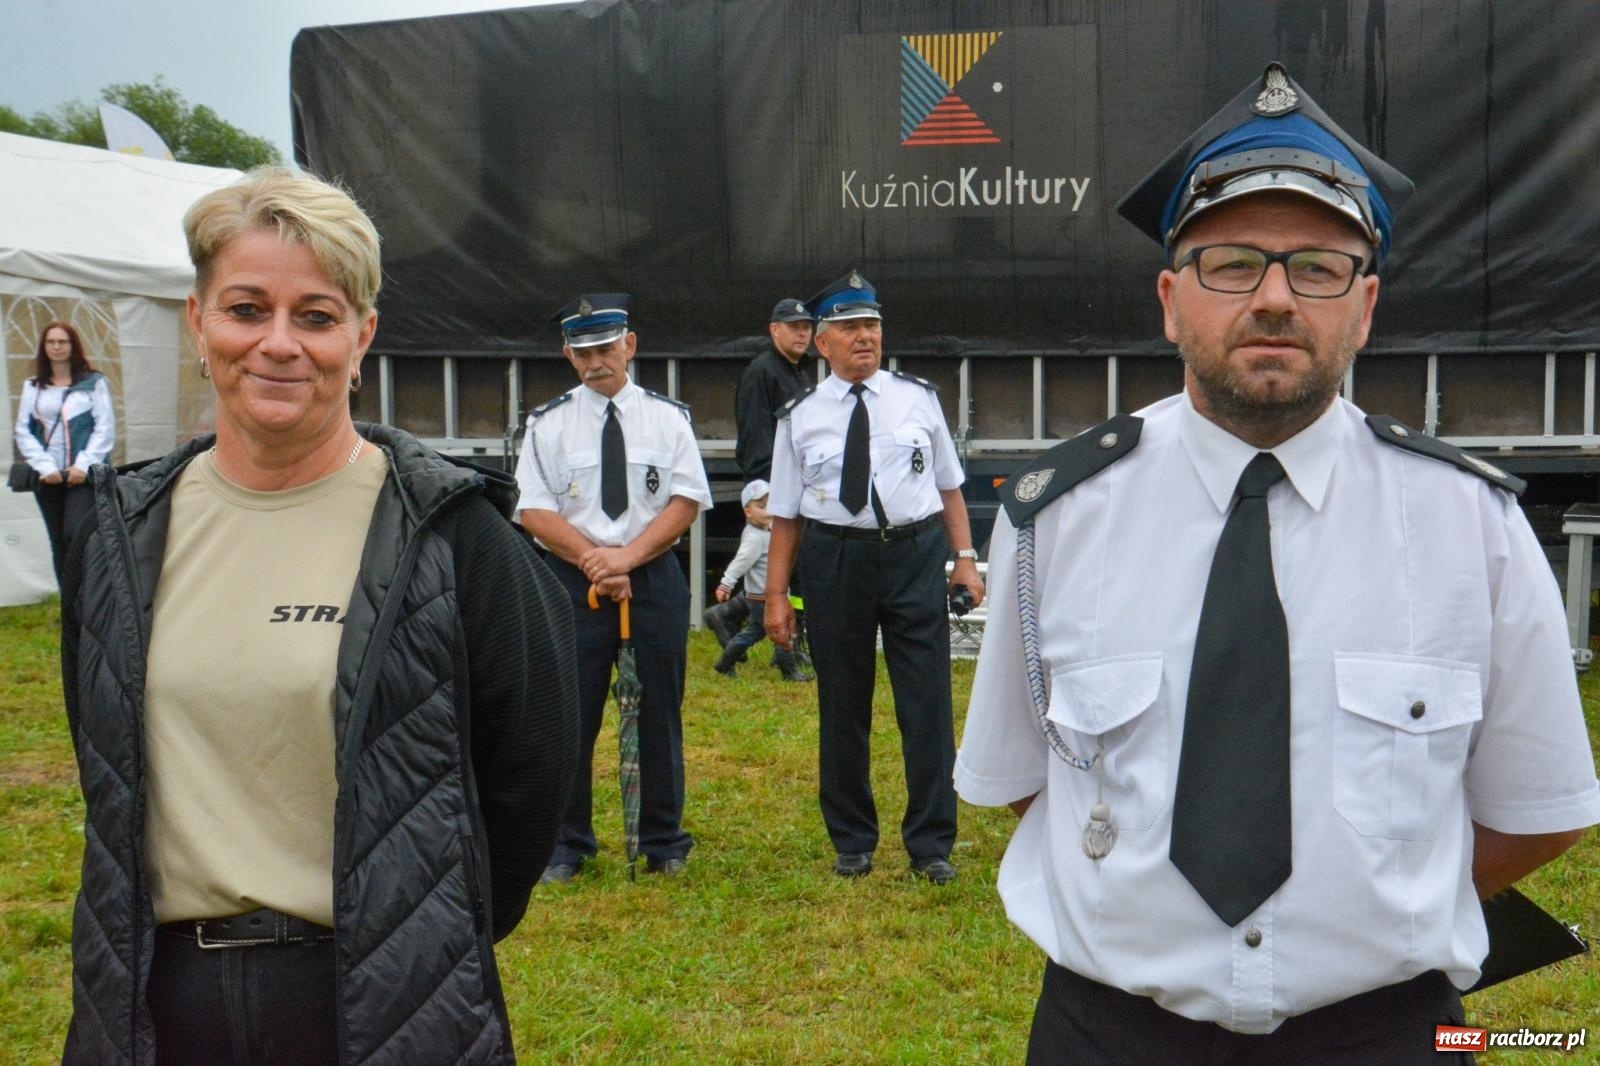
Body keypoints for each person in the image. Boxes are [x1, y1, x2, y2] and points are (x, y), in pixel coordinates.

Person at [955, 63, 1600, 1064]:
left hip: (1388, 1033)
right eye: (1230, 264)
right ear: (1171, 300)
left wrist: (1365, 908)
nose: (1271, 298)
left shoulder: (1469, 522)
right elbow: (1022, 778)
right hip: (1110, 1034)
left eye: (1316, 268)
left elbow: (1536, 810)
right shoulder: (1056, 518)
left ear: (1366, 304)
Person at [58, 166, 580, 1066]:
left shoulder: (456, 534)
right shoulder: (117, 536)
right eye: (246, 308)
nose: (277, 344)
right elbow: (101, 754)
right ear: (198, 321)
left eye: (316, 315)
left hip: (377, 998)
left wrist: (430, 934)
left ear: (363, 334)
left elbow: (530, 771)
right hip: (158, 1002)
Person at [764, 271, 985, 883]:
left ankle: (931, 843)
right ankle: (853, 840)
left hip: (913, 555)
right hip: (836, 560)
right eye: (848, 328)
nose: (864, 337)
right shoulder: (800, 417)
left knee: (926, 700)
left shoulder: (918, 398)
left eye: (872, 325)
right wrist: (777, 596)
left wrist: (964, 557)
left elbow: (949, 486)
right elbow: (785, 516)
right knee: (842, 702)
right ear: (822, 343)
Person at [516, 293, 713, 883]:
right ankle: (564, 844)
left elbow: (685, 501)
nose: (596, 361)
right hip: (572, 582)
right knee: (566, 715)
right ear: (568, 356)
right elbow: (533, 509)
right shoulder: (547, 424)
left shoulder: (666, 417)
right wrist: (595, 562)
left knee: (657, 710)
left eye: (605, 348)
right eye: (583, 352)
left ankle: (662, 840)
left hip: (651, 577)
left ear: (629, 345)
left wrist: (628, 556)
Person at [707, 297, 818, 681]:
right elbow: (756, 438)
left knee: (797, 571)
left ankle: (729, 615)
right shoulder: (762, 373)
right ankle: (788, 653)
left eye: (807, 327)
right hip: (774, 487)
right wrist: (764, 497)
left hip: (798, 484)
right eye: (795, 327)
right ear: (775, 330)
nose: (803, 333)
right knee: (786, 573)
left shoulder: (799, 372)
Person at [12, 321, 114, 585]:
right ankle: (68, 604)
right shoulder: (33, 386)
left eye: (62, 342)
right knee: (57, 539)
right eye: (51, 342)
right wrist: (46, 467)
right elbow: (23, 430)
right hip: (49, 477)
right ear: (44, 347)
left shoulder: (94, 383)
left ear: (72, 346)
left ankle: (87, 600)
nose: (56, 347)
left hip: (82, 476)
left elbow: (104, 429)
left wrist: (82, 466)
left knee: (76, 534)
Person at [710, 479, 790, 678]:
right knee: (777, 631)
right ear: (748, 512)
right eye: (761, 507)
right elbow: (740, 562)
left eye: (770, 505)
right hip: (762, 597)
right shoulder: (754, 538)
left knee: (756, 632)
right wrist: (725, 584)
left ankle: (724, 663)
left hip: (766, 595)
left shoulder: (769, 531)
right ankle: (790, 672)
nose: (768, 511)